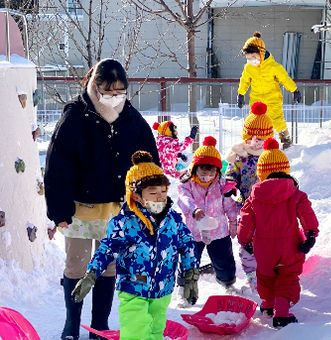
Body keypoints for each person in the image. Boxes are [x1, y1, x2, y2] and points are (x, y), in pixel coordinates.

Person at [44, 58, 160, 340]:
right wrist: (59, 210)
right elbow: (57, 167)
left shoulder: (132, 120)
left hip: (116, 208)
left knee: (108, 266)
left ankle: (99, 325)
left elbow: (150, 166)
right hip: (80, 209)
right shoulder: (75, 117)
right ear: (95, 87)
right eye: (109, 91)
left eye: (120, 91)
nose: (115, 97)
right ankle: (72, 324)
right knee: (77, 265)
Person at [71, 151, 199, 339]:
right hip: (133, 287)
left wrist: (190, 274)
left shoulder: (173, 220)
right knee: (136, 332)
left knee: (156, 331)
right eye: (153, 193)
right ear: (137, 196)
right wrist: (91, 274)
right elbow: (107, 249)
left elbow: (186, 245)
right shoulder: (125, 223)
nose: (160, 198)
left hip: (163, 288)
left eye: (163, 192)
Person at [237, 138, 319, 328]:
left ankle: (267, 305)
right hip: (290, 246)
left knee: (265, 276)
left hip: (263, 248)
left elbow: (246, 219)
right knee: (287, 276)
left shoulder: (254, 196)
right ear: (286, 169)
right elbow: (306, 214)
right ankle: (281, 314)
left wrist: (244, 240)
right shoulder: (296, 194)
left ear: (261, 173)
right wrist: (311, 234)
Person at [177, 136, 238, 295]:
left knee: (224, 260)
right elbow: (184, 199)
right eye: (203, 168)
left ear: (218, 170)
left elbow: (229, 205)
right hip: (193, 231)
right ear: (195, 168)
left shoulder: (222, 185)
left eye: (212, 169)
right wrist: (194, 210)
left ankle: (227, 283)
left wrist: (233, 222)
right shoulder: (187, 184)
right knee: (189, 260)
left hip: (218, 231)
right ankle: (184, 287)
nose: (207, 173)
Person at [225, 101, 274, 292]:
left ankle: (268, 269)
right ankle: (252, 274)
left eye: (262, 138)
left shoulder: (270, 156)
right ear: (247, 136)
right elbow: (231, 173)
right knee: (247, 240)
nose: (258, 142)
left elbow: (281, 174)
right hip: (247, 206)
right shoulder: (241, 156)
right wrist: (230, 186)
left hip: (269, 206)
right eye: (254, 137)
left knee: (268, 239)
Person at [237, 31, 302, 150]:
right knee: (255, 122)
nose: (251, 60)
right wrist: (241, 94)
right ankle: (256, 143)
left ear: (261, 53)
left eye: (254, 57)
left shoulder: (274, 67)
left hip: (273, 99)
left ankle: (285, 139)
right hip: (256, 100)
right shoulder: (248, 68)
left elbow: (285, 79)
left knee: (277, 120)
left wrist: (294, 90)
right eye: (248, 58)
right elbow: (244, 81)